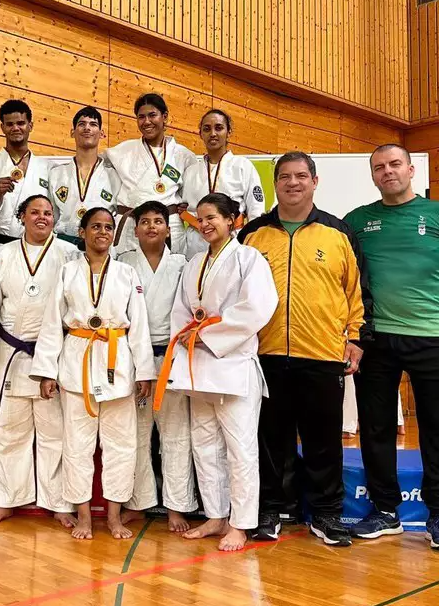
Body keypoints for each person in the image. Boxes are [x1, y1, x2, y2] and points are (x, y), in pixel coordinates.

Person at [344, 143, 439, 553]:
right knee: (375, 429)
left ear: (411, 170)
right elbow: (342, 284)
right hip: (376, 339)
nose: (388, 171)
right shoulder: (356, 221)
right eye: (379, 167)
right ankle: (386, 512)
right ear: (373, 175)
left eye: (395, 164)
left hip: (433, 337)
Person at [238, 151, 373, 547]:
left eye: (301, 176)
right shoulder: (253, 235)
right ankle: (270, 510)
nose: (293, 183)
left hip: (322, 355)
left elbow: (359, 293)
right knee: (269, 439)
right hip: (265, 357)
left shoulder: (339, 233)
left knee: (324, 440)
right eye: (284, 176)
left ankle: (327, 515)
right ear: (275, 183)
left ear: (315, 181)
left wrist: (356, 339)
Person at [155, 192, 276, 552]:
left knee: (240, 449)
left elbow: (257, 308)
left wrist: (208, 335)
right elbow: (181, 311)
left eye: (213, 218)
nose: (206, 224)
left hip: (233, 365)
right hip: (198, 366)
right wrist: (188, 342)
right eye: (201, 218)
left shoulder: (249, 259)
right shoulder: (194, 263)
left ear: (232, 220)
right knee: (205, 446)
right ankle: (216, 515)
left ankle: (241, 523)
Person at [31, 208, 156, 540]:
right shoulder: (67, 272)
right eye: (96, 227)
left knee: (121, 446)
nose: (102, 232)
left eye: (108, 227)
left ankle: (114, 516)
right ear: (83, 232)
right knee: (77, 446)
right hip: (77, 362)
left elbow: (139, 325)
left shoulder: (127, 274)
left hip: (117, 362)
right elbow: (51, 323)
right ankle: (84, 515)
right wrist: (46, 371)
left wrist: (145, 371)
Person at [0, 195, 80, 527]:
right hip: (10, 350)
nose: (41, 217)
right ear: (21, 217)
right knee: (8, 430)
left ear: (55, 219)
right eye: (34, 212)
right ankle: (7, 499)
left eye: (48, 213)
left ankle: (59, 502)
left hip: (52, 352)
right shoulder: (2, 254)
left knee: (55, 432)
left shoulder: (69, 254)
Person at [117, 201, 197, 532]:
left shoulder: (183, 264)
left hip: (171, 355)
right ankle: (139, 502)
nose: (152, 226)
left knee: (176, 433)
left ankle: (177, 505)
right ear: (134, 230)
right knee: (135, 433)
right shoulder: (123, 263)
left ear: (168, 229)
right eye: (145, 221)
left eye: (159, 221)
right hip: (134, 357)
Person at [104, 93, 197, 253]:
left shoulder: (184, 155)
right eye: (141, 117)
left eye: (152, 115)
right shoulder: (123, 150)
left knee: (170, 272)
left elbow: (189, 194)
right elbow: (95, 165)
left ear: (164, 116)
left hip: (168, 224)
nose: (146, 122)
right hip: (132, 224)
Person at [179, 109, 265, 259]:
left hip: (232, 238)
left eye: (219, 128)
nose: (213, 133)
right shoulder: (190, 171)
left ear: (228, 132)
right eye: (207, 129)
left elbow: (256, 211)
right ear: (200, 134)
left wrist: (251, 246)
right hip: (196, 242)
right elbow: (181, 206)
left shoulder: (243, 166)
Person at [0, 99, 51, 244]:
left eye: (21, 123)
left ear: (30, 126)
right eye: (10, 124)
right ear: (2, 127)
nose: (15, 128)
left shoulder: (46, 168)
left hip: (36, 247)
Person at [47, 106, 120, 249]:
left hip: (99, 246)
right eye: (81, 124)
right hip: (62, 244)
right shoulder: (56, 174)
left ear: (102, 133)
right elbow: (51, 216)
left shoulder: (114, 176)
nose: (87, 128)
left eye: (93, 124)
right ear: (72, 132)